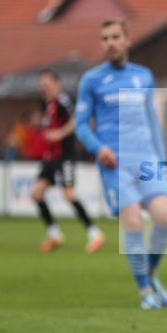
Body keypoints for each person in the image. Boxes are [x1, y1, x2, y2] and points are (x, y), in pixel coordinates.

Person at [75, 18, 167, 310]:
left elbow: (152, 121)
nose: (110, 43)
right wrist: (98, 148)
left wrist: (161, 159)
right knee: (132, 221)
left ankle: (152, 273)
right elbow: (81, 125)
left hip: (146, 160)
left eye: (115, 37)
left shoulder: (142, 76)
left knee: (165, 217)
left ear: (127, 40)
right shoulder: (92, 80)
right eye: (105, 38)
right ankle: (145, 291)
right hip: (115, 164)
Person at [31, 70, 105, 254]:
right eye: (42, 85)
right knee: (36, 193)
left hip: (64, 157)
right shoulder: (46, 105)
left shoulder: (62, 101)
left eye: (47, 84)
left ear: (56, 84)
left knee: (69, 194)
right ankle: (55, 234)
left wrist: (60, 133)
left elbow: (76, 120)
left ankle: (95, 234)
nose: (44, 87)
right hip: (50, 158)